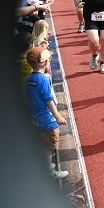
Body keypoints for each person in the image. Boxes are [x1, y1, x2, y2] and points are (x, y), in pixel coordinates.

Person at [24, 45, 69, 179]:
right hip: (46, 119)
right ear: (45, 62)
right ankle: (48, 170)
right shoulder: (43, 79)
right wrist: (58, 116)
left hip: (35, 116)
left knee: (42, 142)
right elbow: (48, 99)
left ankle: (45, 164)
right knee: (49, 146)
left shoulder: (29, 78)